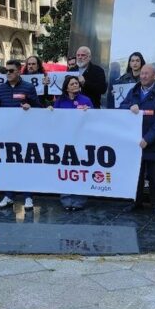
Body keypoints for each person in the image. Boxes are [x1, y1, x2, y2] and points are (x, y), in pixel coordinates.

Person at [120, 64, 155, 216]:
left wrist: (148, 138)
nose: (143, 76)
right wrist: (130, 107)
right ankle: (135, 202)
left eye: (146, 74)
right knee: (135, 176)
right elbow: (122, 107)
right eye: (142, 73)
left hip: (154, 143)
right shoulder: (134, 91)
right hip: (135, 142)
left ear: (154, 76)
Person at [0, 59, 43, 210]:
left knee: (25, 164)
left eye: (11, 70)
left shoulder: (28, 87)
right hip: (7, 133)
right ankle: (9, 195)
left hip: (25, 133)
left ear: (19, 71)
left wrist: (30, 106)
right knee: (8, 164)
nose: (8, 73)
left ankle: (28, 197)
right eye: (6, 71)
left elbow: (39, 107)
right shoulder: (1, 88)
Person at [54, 75, 93, 211]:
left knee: (80, 170)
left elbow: (94, 119)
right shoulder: (59, 101)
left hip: (81, 139)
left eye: (77, 83)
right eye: (72, 84)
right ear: (66, 88)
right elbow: (54, 119)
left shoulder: (86, 100)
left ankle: (79, 201)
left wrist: (89, 112)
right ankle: (66, 200)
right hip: (64, 140)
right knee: (65, 170)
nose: (75, 85)